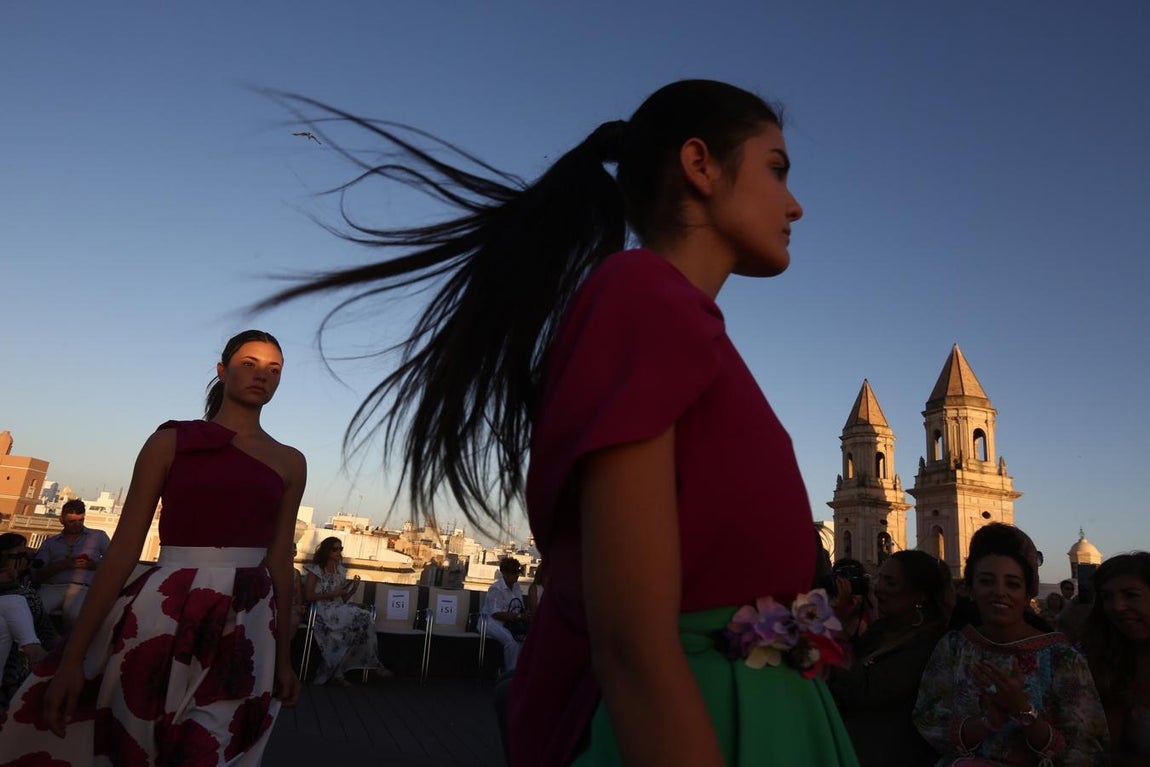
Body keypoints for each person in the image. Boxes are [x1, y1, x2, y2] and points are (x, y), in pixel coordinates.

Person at [260, 78, 857, 766]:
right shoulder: (643, 295)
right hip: (702, 726)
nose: (796, 203)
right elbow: (632, 643)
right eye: (776, 169)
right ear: (700, 165)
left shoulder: (678, 317)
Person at [0, 329, 305, 764]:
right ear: (222, 371)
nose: (262, 376)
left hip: (250, 619)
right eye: (249, 364)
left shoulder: (290, 461)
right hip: (165, 610)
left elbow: (279, 558)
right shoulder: (170, 442)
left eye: (274, 370)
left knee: (215, 747)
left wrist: (284, 658)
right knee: (139, 741)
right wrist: (74, 657)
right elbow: (123, 549)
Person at [913, 523, 1109, 766]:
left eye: (1012, 584)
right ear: (970, 589)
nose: (999, 592)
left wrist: (1023, 712)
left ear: (1028, 593)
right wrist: (987, 723)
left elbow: (1087, 747)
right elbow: (928, 721)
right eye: (986, 581)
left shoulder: (1061, 658)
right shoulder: (954, 648)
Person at [829, 550, 950, 767]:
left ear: (920, 595)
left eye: (890, 583)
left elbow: (863, 690)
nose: (878, 588)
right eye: (879, 578)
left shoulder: (925, 646)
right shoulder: (882, 632)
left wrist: (834, 631)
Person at [1082, 552, 1150, 764]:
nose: (1117, 606)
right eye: (1107, 597)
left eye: (1130, 595)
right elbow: (1106, 750)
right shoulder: (1106, 661)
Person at [301, 536, 384, 686]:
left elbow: (342, 599)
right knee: (361, 617)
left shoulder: (340, 571)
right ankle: (368, 665)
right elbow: (308, 595)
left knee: (362, 622)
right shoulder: (316, 570)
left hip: (337, 608)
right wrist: (331, 594)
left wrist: (352, 590)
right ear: (327, 551)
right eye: (335, 549)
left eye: (340, 549)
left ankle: (342, 671)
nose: (338, 552)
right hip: (321, 610)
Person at [30, 498, 110, 627]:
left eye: (80, 520)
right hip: (52, 587)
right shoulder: (51, 542)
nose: (77, 524)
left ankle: (69, 646)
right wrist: (63, 565)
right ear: (62, 521)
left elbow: (113, 564)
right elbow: (37, 573)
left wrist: (92, 566)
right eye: (71, 521)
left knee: (75, 615)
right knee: (34, 612)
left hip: (82, 587)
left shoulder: (98, 536)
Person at [0, 533, 53, 707]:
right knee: (16, 601)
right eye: (17, 555)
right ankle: (35, 654)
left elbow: (43, 625)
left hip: (25, 640)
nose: (23, 560)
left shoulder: (26, 582)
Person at [482, 558, 530, 673]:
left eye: (517, 572)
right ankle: (510, 674)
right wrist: (518, 617)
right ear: (504, 572)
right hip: (491, 623)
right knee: (511, 642)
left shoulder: (517, 587)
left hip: (510, 623)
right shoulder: (496, 589)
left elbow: (519, 607)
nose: (516, 575)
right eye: (513, 572)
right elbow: (495, 613)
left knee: (526, 640)